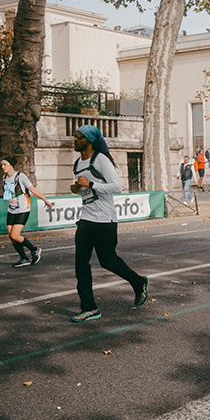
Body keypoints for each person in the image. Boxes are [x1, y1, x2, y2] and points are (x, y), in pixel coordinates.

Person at [69, 125, 149, 322]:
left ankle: (139, 282)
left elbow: (117, 187)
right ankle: (90, 308)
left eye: (79, 137)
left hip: (105, 219)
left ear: (89, 140)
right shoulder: (78, 163)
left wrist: (90, 184)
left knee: (108, 261)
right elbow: (86, 191)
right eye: (75, 137)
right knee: (81, 265)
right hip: (86, 218)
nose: (75, 140)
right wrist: (77, 189)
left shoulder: (100, 160)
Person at [0, 157, 54, 267]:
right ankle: (24, 258)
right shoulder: (4, 178)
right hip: (11, 209)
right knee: (11, 236)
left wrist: (45, 200)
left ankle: (34, 249)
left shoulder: (21, 177)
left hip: (23, 209)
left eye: (5, 164)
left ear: (11, 165)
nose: (2, 167)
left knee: (15, 235)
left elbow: (33, 189)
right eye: (2, 165)